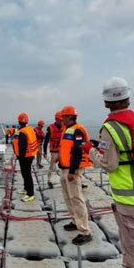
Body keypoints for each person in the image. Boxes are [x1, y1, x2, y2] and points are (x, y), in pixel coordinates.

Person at [92, 77, 134, 268]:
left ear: (105, 102)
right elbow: (127, 149)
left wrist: (91, 152)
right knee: (132, 237)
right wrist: (101, 147)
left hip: (127, 194)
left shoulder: (110, 127)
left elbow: (110, 164)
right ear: (128, 98)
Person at [58, 105, 93, 245]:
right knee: (68, 197)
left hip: (72, 170)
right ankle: (74, 221)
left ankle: (85, 231)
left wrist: (72, 171)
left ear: (69, 117)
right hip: (65, 168)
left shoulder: (77, 130)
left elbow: (78, 152)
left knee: (77, 198)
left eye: (63, 117)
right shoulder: (67, 129)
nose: (62, 120)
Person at [12, 112, 38, 203]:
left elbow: (22, 147)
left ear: (19, 121)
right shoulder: (29, 129)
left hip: (25, 157)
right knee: (25, 173)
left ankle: (30, 194)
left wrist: (20, 157)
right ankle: (26, 189)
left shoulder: (22, 132)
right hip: (30, 155)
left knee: (27, 174)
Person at [43, 111, 63, 189]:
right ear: (56, 119)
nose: (61, 121)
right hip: (54, 150)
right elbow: (46, 141)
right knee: (52, 166)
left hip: (62, 149)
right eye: (60, 120)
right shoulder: (50, 128)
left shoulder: (64, 127)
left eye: (62, 120)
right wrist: (44, 151)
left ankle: (67, 180)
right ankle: (49, 180)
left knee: (65, 165)